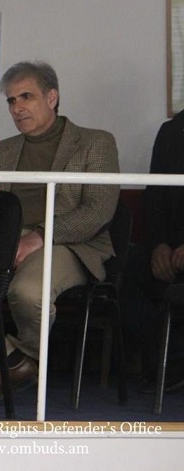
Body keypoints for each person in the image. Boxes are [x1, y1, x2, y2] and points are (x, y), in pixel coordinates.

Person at [0, 60, 119, 405]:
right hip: (5, 243)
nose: (17, 108)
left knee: (29, 292)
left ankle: (18, 365)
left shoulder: (95, 142)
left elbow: (97, 211)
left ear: (52, 97)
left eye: (26, 97)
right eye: (11, 101)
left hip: (71, 243)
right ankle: (10, 363)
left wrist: (40, 236)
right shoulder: (3, 149)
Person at [123, 109, 184, 391]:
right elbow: (155, 195)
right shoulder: (172, 131)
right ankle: (169, 358)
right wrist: (158, 245)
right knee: (120, 270)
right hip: (168, 246)